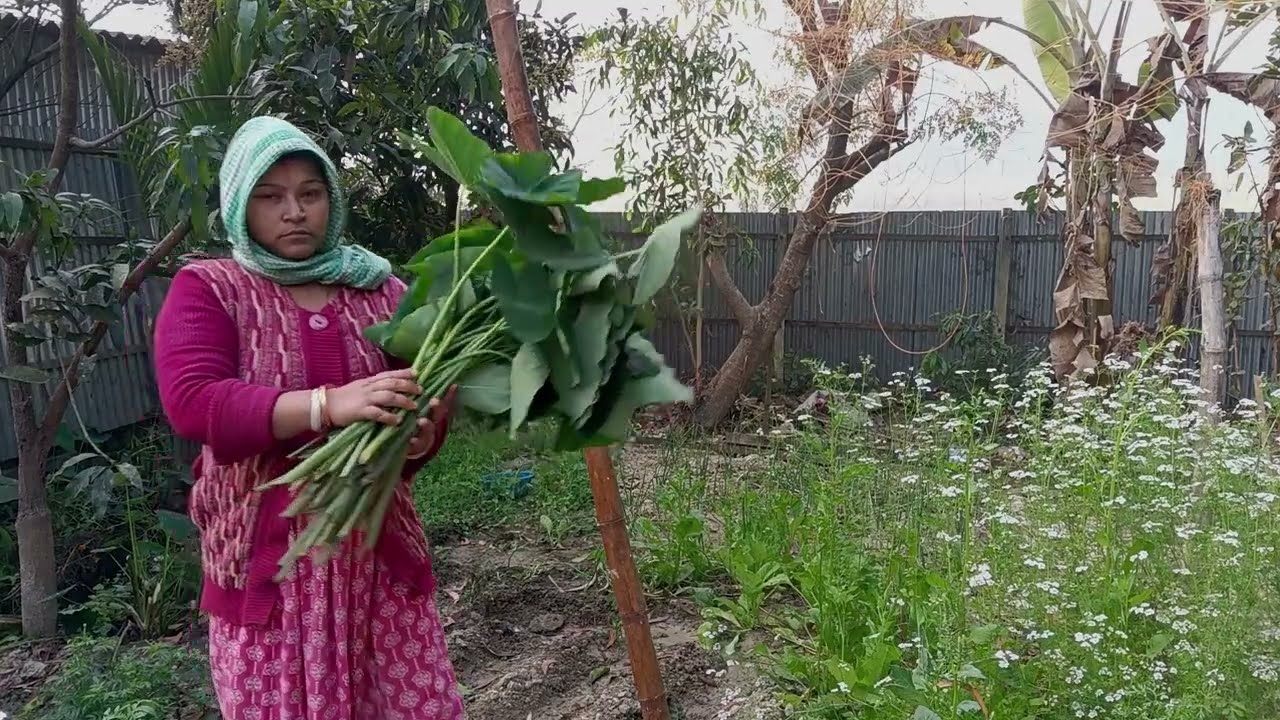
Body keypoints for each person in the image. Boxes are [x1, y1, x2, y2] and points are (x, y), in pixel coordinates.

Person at [153, 116, 466, 720]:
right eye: (270, 197)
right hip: (270, 574)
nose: (294, 212)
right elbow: (193, 400)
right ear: (240, 205)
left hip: (377, 563)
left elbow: (421, 397)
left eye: (311, 194)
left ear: (332, 200)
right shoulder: (211, 288)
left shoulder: (382, 291)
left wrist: (419, 434)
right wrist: (328, 403)